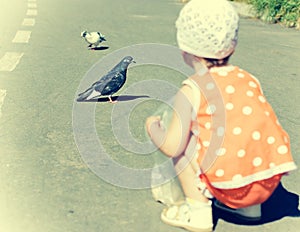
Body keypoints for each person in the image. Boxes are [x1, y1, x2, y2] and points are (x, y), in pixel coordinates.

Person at [145, 0, 297, 231]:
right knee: (242, 129)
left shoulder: (192, 89)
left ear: (184, 49)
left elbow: (173, 146)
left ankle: (198, 213)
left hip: (229, 188)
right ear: (232, 47)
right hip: (266, 184)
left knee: (186, 142)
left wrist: (153, 128)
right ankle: (249, 210)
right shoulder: (249, 79)